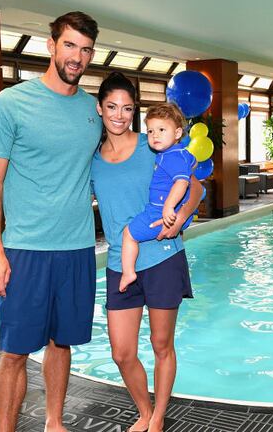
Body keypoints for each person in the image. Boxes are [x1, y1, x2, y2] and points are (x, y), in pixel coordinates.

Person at [0, 12, 101, 432]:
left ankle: (54, 423)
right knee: (13, 351)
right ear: (51, 46)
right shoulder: (11, 103)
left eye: (85, 49)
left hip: (78, 249)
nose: (77, 56)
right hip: (26, 249)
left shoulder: (93, 110)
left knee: (61, 342)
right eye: (70, 45)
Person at [91, 72, 202, 432]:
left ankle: (157, 417)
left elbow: (194, 189)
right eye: (112, 107)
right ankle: (143, 409)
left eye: (127, 107)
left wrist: (180, 217)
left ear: (135, 110)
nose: (119, 115)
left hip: (163, 257)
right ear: (100, 108)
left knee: (160, 343)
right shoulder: (92, 159)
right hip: (119, 262)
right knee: (122, 352)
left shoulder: (152, 145)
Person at [120, 103, 195, 292]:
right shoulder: (177, 153)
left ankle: (128, 272)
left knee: (129, 234)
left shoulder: (171, 156)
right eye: (151, 131)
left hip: (159, 213)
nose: (155, 135)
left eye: (162, 129)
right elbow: (193, 164)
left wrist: (169, 207)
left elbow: (182, 182)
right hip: (170, 212)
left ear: (177, 133)